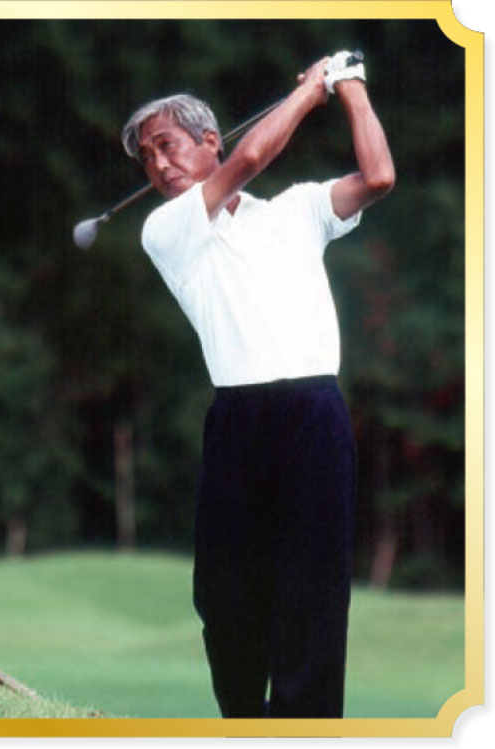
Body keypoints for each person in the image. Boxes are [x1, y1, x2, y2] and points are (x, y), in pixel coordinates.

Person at [121, 51, 395, 719]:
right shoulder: (168, 229)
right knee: (225, 595)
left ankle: (305, 726)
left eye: (167, 145)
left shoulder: (297, 210)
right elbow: (248, 160)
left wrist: (351, 88)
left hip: (315, 415)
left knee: (314, 588)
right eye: (147, 158)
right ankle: (244, 722)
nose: (158, 165)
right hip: (239, 419)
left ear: (208, 139)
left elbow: (379, 177)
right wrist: (310, 90)